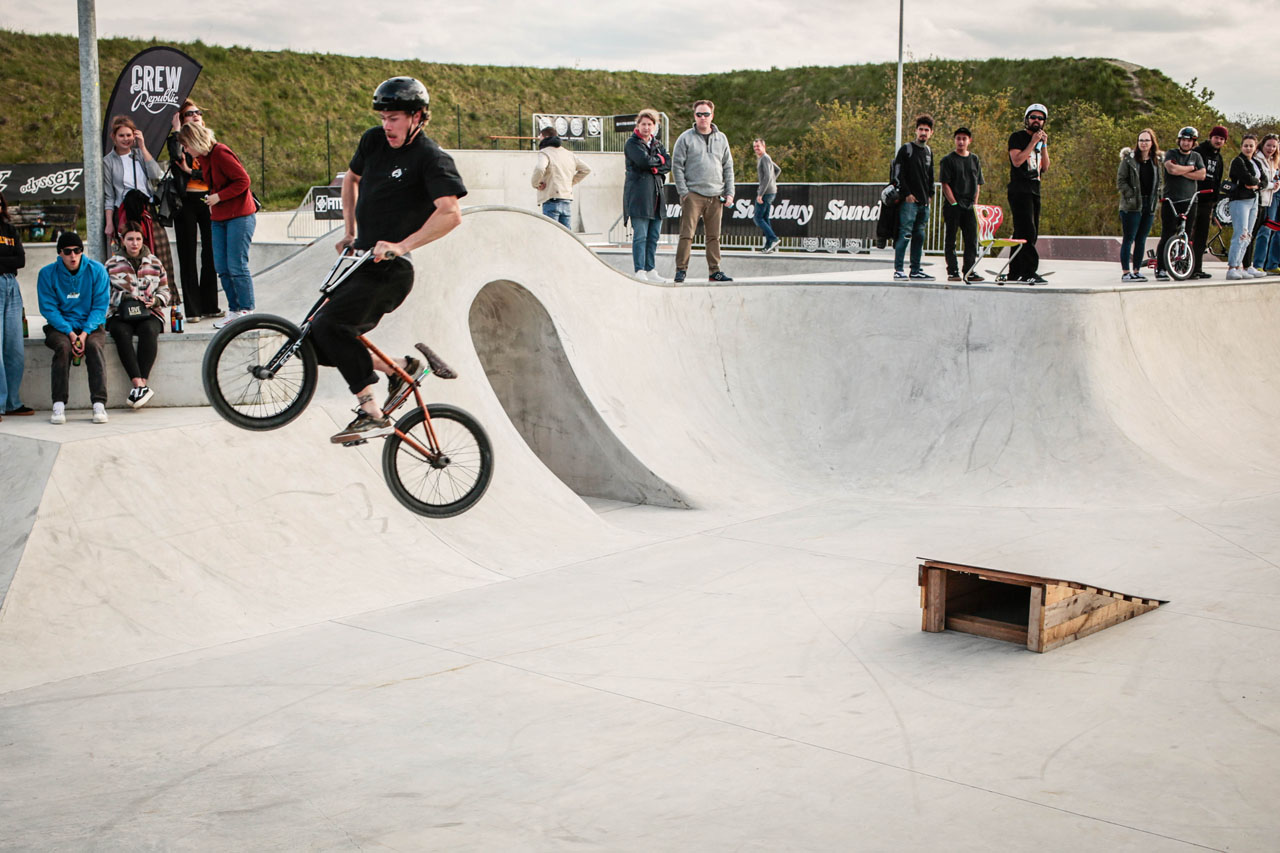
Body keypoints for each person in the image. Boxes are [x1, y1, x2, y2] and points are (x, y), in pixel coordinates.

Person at [322, 76, 466, 445]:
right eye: (384, 117)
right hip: (363, 261)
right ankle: (402, 369)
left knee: (336, 327)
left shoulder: (430, 157)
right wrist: (350, 232)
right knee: (316, 341)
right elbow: (351, 180)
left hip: (392, 270)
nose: (387, 126)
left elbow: (450, 213)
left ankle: (370, 412)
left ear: (417, 117)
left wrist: (402, 245)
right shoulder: (372, 141)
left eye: (396, 118)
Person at [177, 123, 257, 329]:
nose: (185, 150)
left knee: (236, 264)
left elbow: (243, 180)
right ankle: (234, 309)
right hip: (219, 217)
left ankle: (247, 308)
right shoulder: (203, 158)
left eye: (186, 145)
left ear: (194, 141)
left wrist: (219, 196)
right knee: (220, 265)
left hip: (239, 215)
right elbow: (208, 176)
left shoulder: (220, 152)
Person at [36, 232, 110, 424]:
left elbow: (100, 307)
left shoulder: (97, 270)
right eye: (68, 252)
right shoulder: (47, 274)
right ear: (60, 253)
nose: (73, 256)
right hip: (60, 327)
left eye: (77, 251)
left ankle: (99, 404)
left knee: (94, 347)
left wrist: (84, 334)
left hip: (90, 326)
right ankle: (58, 404)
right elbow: (48, 309)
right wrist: (70, 333)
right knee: (63, 348)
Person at [166, 99, 222, 322]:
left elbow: (215, 172)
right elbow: (175, 156)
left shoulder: (210, 141)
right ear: (182, 118)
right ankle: (192, 309)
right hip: (185, 200)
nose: (196, 115)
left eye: (198, 112)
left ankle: (210, 305)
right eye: (190, 113)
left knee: (211, 252)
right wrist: (177, 130)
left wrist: (192, 172)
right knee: (187, 253)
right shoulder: (179, 141)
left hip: (208, 198)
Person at [103, 115, 175, 286]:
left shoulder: (139, 155)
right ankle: (130, 291)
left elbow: (156, 174)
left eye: (129, 135)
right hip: (124, 210)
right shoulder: (108, 161)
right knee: (128, 252)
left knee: (158, 251)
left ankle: (166, 296)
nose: (126, 139)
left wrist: (142, 147)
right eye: (121, 135)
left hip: (146, 209)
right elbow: (109, 194)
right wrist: (109, 223)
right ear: (114, 137)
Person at [105, 222, 171, 407]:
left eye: (138, 239)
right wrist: (124, 297)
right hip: (120, 314)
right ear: (123, 241)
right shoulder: (111, 264)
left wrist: (156, 300)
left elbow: (166, 289)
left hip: (149, 313)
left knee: (149, 330)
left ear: (143, 240)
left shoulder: (155, 262)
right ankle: (138, 384)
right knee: (120, 332)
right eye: (130, 239)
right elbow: (103, 294)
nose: (134, 243)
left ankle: (142, 384)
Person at [671, 100, 735, 283]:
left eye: (706, 114)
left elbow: (728, 167)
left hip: (716, 195)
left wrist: (730, 192)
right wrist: (684, 193)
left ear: (712, 116)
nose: (703, 118)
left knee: (714, 236)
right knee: (687, 234)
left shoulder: (721, 138)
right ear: (694, 116)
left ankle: (715, 271)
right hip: (694, 195)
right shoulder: (685, 138)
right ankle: (681, 269)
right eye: (699, 114)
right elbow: (677, 167)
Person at [623, 108, 671, 281]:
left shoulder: (657, 144)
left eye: (650, 124)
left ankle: (651, 269)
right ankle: (640, 270)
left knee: (653, 236)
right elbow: (643, 161)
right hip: (639, 196)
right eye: (643, 124)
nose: (646, 127)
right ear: (638, 125)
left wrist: (657, 165)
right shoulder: (632, 143)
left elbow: (668, 163)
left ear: (654, 126)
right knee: (641, 236)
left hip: (657, 195)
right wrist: (660, 162)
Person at [1007, 103, 1051, 284]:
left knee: (1022, 232)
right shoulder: (1017, 137)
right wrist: (1032, 142)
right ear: (1027, 119)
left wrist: (1044, 145)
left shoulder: (1041, 142)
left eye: (1040, 118)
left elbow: (1045, 167)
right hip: (1019, 189)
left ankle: (1014, 271)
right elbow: (1017, 161)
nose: (1037, 121)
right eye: (1033, 117)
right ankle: (1029, 271)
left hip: (1034, 189)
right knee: (1028, 231)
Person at [1158, 126, 1207, 281]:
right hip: (1171, 200)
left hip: (1190, 201)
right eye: (1184, 140)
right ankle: (1161, 269)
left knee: (1187, 234)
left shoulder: (1197, 156)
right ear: (1180, 141)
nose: (1186, 143)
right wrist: (1191, 169)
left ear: (1193, 142)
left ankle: (1185, 267)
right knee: (1168, 233)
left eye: (1189, 141)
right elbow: (1171, 169)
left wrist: (1183, 171)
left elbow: (1202, 175)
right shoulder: (1171, 153)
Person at [891, 115, 936, 280]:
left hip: (924, 203)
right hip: (909, 202)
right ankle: (898, 269)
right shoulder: (906, 149)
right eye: (921, 129)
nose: (923, 133)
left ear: (931, 133)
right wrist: (907, 194)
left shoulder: (929, 152)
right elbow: (898, 174)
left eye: (926, 130)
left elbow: (930, 175)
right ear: (916, 130)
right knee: (905, 234)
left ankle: (915, 269)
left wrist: (931, 194)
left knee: (920, 235)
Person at [1116, 128, 1163, 282]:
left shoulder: (1156, 161)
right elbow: (1121, 180)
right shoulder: (1129, 159)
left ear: (1152, 142)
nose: (1143, 143)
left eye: (1147, 140)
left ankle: (1136, 270)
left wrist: (1159, 197)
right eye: (1141, 140)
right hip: (1132, 205)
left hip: (1149, 203)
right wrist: (1130, 195)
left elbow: (1160, 181)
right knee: (1129, 238)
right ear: (1137, 142)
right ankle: (1125, 272)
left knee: (1141, 239)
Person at [0, 191, 31, 419]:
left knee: (14, 348)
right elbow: (14, 259)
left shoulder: (10, 231)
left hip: (11, 286)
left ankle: (12, 402)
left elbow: (20, 260)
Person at [939, 126, 984, 282]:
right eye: (958, 138)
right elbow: (945, 184)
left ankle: (969, 270)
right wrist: (954, 203)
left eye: (964, 139)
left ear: (969, 141)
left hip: (970, 206)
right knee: (951, 239)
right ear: (955, 140)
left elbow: (978, 183)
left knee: (971, 240)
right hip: (954, 206)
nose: (961, 141)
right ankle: (952, 271)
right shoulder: (948, 160)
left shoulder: (974, 159)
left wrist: (975, 204)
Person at [531, 126, 590, 228]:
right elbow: (586, 169)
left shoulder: (545, 152)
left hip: (551, 199)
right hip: (566, 199)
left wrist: (536, 184)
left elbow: (540, 168)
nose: (539, 139)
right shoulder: (568, 154)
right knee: (566, 236)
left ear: (545, 137)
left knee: (551, 233)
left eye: (540, 136)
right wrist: (570, 183)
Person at [1190, 126, 1228, 279]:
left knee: (1201, 236)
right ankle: (1183, 265)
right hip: (1194, 198)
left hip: (1207, 202)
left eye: (1222, 139)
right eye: (1216, 137)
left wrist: (1214, 205)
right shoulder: (1199, 151)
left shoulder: (1219, 158)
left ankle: (1197, 268)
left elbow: (1217, 182)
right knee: (1187, 233)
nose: (1218, 141)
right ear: (1211, 137)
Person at [1225, 134, 1262, 280]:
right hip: (1240, 200)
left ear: (1255, 147)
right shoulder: (1238, 161)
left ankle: (1241, 265)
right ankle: (1232, 267)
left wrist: (1257, 184)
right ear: (1241, 146)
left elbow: (1263, 180)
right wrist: (1255, 182)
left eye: (1251, 146)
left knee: (1248, 235)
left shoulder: (1256, 162)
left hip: (1254, 200)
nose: (1248, 148)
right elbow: (1247, 178)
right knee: (1240, 233)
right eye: (1246, 145)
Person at [1245, 133, 1278, 277]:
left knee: (1272, 230)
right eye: (1268, 145)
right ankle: (1257, 264)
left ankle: (1270, 264)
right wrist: (1272, 185)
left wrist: (1274, 185)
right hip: (1259, 200)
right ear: (1262, 145)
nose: (1271, 149)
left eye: (1274, 146)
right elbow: (1261, 182)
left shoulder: (1273, 160)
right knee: (1262, 232)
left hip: (1269, 198)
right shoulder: (1257, 159)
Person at [753, 137, 782, 253]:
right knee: (765, 218)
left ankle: (773, 238)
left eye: (758, 146)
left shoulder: (764, 158)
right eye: (754, 147)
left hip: (766, 192)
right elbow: (777, 170)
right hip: (771, 191)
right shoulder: (766, 158)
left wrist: (760, 193)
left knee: (758, 218)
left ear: (763, 147)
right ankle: (768, 245)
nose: (756, 149)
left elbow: (767, 177)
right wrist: (773, 183)